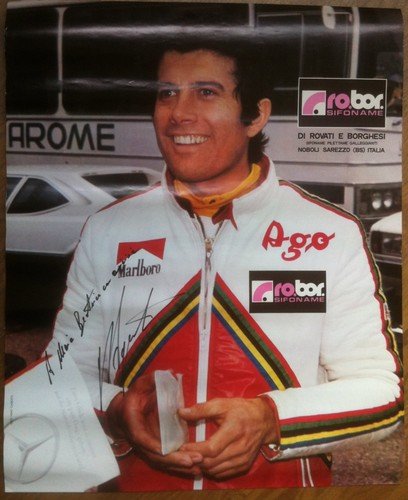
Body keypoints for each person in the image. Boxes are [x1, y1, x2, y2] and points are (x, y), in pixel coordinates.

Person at [47, 40, 403, 492]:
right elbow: (61, 373)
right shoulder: (108, 230)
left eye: (206, 92)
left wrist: (270, 419)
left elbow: (380, 392)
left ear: (255, 116)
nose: (178, 113)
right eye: (166, 93)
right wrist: (115, 411)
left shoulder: (329, 233)